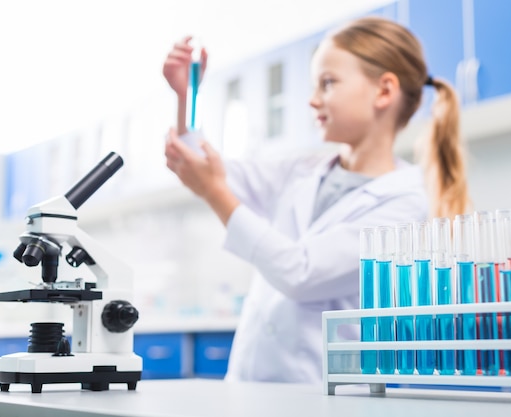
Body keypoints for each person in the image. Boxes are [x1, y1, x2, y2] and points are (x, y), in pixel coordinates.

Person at [162, 16, 470, 383]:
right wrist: (186, 97)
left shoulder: (406, 204)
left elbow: (300, 273)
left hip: (320, 395)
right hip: (248, 385)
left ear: (384, 91)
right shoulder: (304, 170)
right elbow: (201, 167)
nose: (312, 100)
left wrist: (214, 192)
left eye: (328, 83)